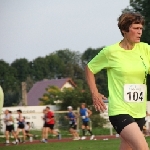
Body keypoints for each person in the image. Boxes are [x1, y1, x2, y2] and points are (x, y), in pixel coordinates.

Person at [85, 12, 150, 150]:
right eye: (136, 28)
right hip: (119, 110)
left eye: (141, 28)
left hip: (138, 110)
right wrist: (95, 93)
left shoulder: (145, 49)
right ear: (124, 30)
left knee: (127, 147)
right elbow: (90, 68)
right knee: (143, 148)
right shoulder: (110, 52)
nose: (140, 32)